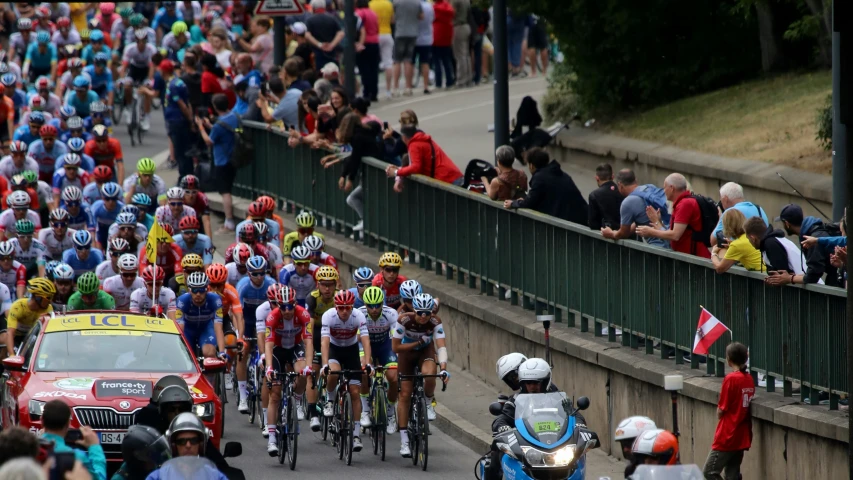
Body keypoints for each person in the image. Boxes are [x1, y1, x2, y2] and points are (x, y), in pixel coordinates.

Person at [392, 293, 449, 457]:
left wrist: (443, 368)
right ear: (414, 311)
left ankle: (428, 400)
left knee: (430, 374)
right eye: (420, 313)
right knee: (405, 394)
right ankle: (404, 441)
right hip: (406, 352)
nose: (423, 317)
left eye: (427, 313)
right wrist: (417, 342)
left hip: (425, 351)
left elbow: (441, 346)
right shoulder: (404, 320)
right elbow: (395, 347)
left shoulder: (435, 321)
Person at [264, 285, 313, 454]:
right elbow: (268, 345)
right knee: (275, 394)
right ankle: (271, 438)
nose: (286, 310)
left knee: (303, 373)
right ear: (278, 305)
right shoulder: (272, 317)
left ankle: (297, 399)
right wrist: (269, 368)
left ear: (295, 304)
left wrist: (308, 365)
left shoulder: (303, 315)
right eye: (282, 307)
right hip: (277, 350)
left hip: (294, 347)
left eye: (289, 306)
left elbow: (308, 342)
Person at [320, 289, 371, 453]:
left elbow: (365, 340)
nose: (344, 311)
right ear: (336, 307)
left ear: (352, 307)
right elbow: (325, 342)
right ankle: (329, 399)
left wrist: (368, 363)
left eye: (347, 308)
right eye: (341, 307)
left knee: (355, 392)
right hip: (334, 349)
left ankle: (356, 435)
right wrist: (324, 365)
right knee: (333, 372)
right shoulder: (328, 316)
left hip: (351, 351)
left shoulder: (359, 316)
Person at [702, 342, 754, 480]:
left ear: (729, 360)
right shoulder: (748, 379)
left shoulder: (731, 379)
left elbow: (721, 409)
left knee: (709, 471)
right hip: (742, 434)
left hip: (728, 435)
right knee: (732, 474)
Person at [503, 147, 589, 226]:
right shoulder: (559, 173)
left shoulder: (539, 178)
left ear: (531, 165)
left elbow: (530, 202)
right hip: (581, 217)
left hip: (568, 222)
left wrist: (513, 203)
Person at [636, 173, 711, 258]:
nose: (663, 191)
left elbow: (675, 235)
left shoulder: (685, 204)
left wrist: (651, 232)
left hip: (694, 259)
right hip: (687, 257)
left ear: (671, 188)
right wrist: (658, 222)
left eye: (665, 187)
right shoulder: (681, 203)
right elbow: (673, 234)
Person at [357, 286, 400, 432]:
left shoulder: (391, 313)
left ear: (383, 303)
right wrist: (365, 359)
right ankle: (365, 410)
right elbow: (358, 338)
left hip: (385, 346)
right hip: (365, 344)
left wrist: (398, 358)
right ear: (365, 304)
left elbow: (395, 338)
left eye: (378, 305)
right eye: (370, 306)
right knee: (363, 372)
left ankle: (390, 412)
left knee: (393, 377)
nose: (374, 309)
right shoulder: (359, 314)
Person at [766, 204, 840, 287]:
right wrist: (789, 277)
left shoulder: (812, 239)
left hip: (839, 283)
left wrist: (789, 279)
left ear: (787, 224)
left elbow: (813, 276)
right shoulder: (815, 230)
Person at [196, 94, 236, 233]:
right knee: (228, 189)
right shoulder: (234, 117)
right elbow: (223, 131)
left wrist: (201, 127)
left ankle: (229, 222)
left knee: (225, 192)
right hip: (233, 158)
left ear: (215, 107)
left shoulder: (219, 125)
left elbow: (209, 141)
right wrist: (210, 125)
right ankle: (228, 220)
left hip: (222, 161)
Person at [601, 169, 669, 249]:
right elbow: (643, 219)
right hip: (669, 240)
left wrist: (611, 234)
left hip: (657, 247)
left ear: (620, 185)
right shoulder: (649, 187)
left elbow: (624, 233)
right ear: (635, 180)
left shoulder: (628, 202)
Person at [40, 399, 107, 480]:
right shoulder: (77, 457)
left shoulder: (29, 451)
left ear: (41, 420)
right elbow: (99, 478)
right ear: (68, 423)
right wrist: (95, 447)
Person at [385, 126, 463, 187]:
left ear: (404, 138)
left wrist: (396, 172)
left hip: (448, 180)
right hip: (454, 176)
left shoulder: (414, 145)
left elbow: (415, 167)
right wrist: (399, 170)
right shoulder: (423, 139)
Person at [176, 272, 227, 364]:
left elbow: (218, 328)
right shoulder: (182, 301)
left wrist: (222, 351)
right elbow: (180, 329)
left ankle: (210, 378)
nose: (198, 294)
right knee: (185, 356)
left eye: (201, 290)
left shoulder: (215, 299)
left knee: (210, 352)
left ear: (207, 289)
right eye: (195, 290)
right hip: (188, 330)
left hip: (206, 328)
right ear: (189, 290)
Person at [743, 216, 807, 276]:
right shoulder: (773, 240)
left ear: (753, 238)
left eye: (748, 239)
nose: (749, 242)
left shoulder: (770, 244)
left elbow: (781, 273)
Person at [5, 278, 54, 355]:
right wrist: (12, 356)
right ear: (38, 298)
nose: (50, 302)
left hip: (32, 337)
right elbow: (10, 333)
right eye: (48, 298)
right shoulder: (18, 307)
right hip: (16, 336)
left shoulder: (48, 308)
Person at [711, 182, 769, 247]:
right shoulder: (759, 209)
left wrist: (720, 217)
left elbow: (713, 241)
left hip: (741, 254)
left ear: (725, 199)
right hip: (760, 253)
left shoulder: (729, 213)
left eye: (721, 201)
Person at [711, 209, 766, 274]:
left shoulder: (737, 245)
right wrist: (731, 246)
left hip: (762, 279)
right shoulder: (747, 237)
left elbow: (720, 269)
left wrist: (714, 254)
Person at [391, 0, 422, 97]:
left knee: (397, 61)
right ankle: (408, 87)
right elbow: (421, 16)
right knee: (408, 60)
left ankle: (395, 87)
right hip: (412, 33)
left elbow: (392, 19)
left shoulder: (396, 2)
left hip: (400, 32)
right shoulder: (417, 3)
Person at [305, 0, 345, 70]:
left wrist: (320, 45)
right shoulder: (332, 18)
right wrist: (332, 45)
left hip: (317, 54)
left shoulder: (310, 20)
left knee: (320, 73)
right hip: (332, 53)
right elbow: (341, 33)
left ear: (313, 8)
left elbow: (307, 35)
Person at [587, 163, 623, 231]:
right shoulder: (622, 190)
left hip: (607, 234)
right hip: (626, 233)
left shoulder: (594, 195)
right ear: (612, 176)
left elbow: (593, 223)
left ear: (597, 178)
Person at [451, 0, 472, 88]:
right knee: (466, 54)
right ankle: (468, 78)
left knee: (459, 55)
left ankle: (461, 80)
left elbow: (452, 13)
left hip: (458, 26)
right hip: (466, 26)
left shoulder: (455, 1)